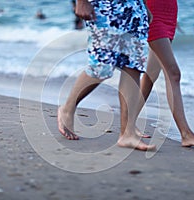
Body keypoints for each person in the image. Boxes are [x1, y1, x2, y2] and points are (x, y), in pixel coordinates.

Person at [58, 0, 156, 151]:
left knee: (133, 67)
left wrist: (144, 6)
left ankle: (128, 134)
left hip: (135, 7)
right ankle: (67, 108)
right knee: (101, 67)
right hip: (104, 6)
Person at [136, 0, 194, 147]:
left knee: (151, 74)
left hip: (169, 13)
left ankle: (129, 121)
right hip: (153, 13)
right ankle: (186, 134)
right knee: (173, 73)